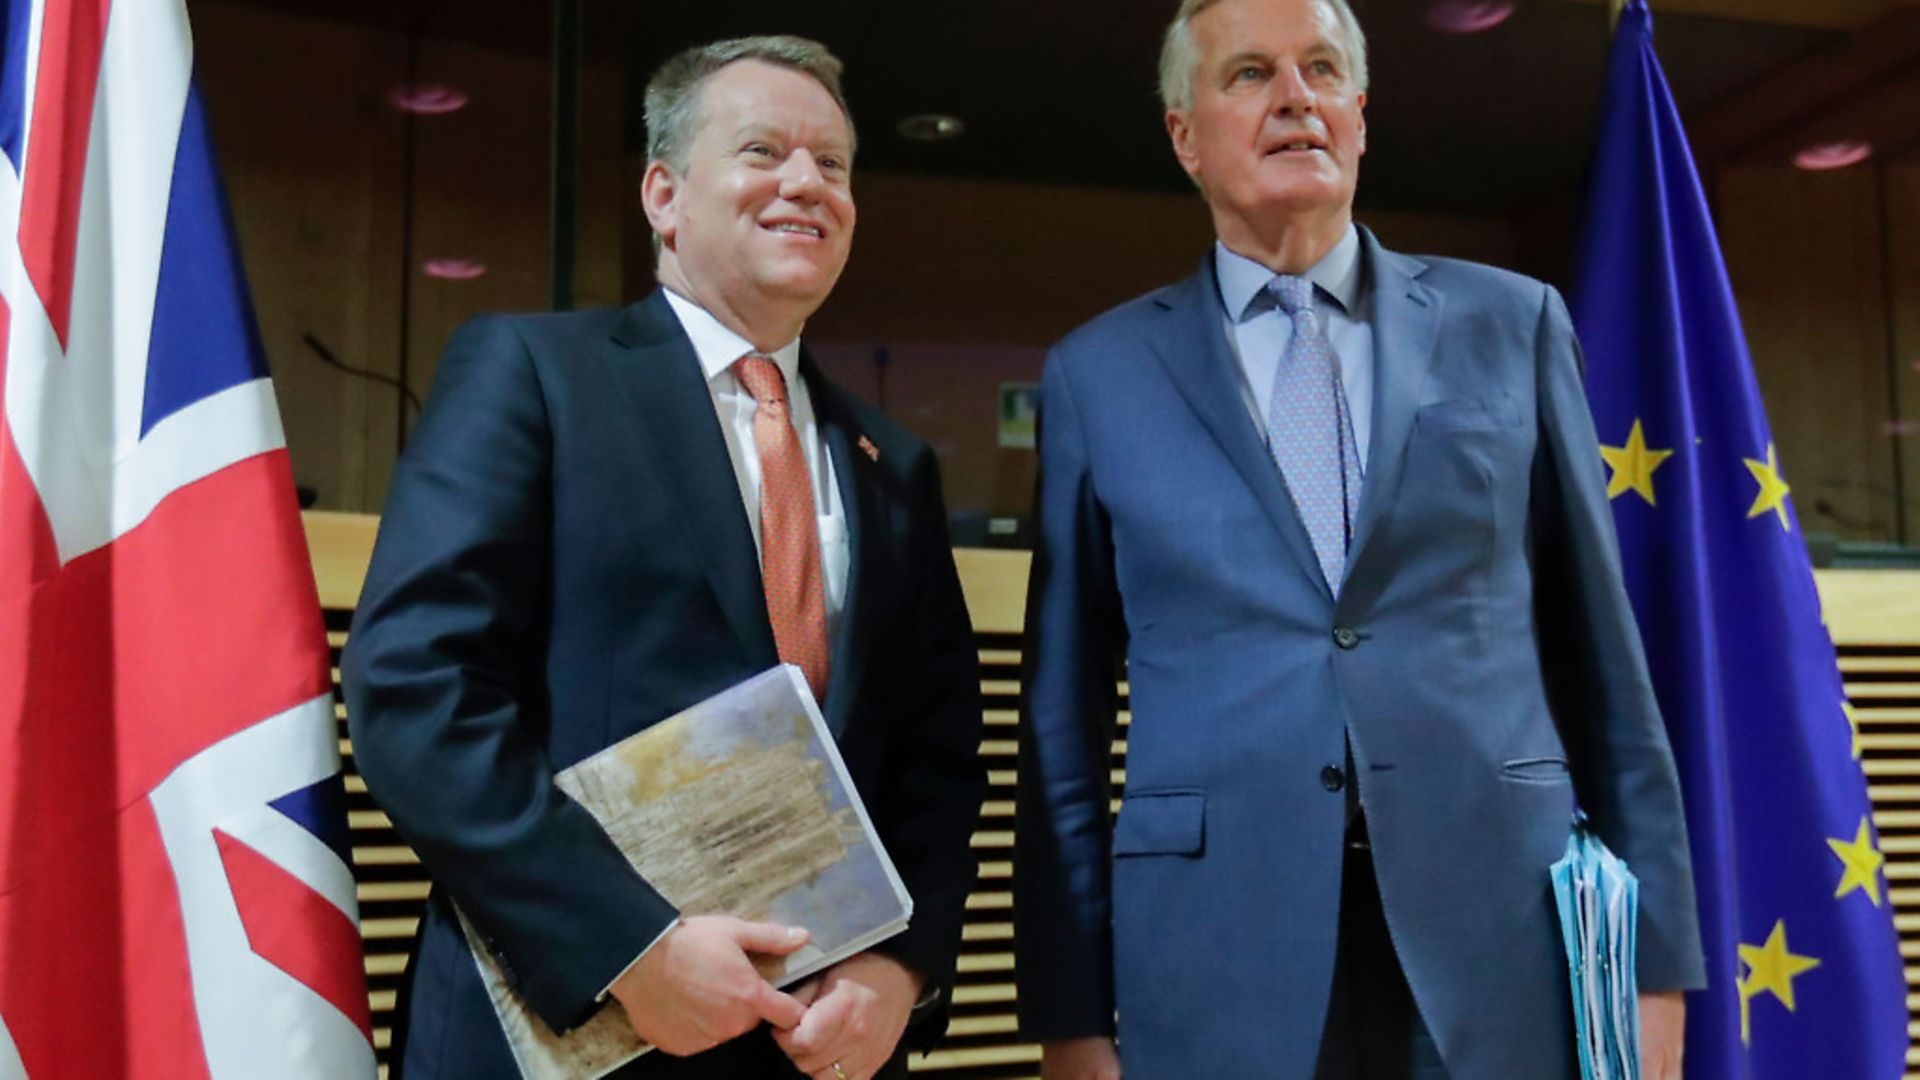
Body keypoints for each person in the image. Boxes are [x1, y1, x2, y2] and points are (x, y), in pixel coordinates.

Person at [1013, 0, 1706, 1077]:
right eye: (1250, 74)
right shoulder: (1095, 376)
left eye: (1323, 70)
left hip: (1501, 945)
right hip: (1213, 954)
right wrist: (1069, 1018)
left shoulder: (1514, 324)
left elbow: (1608, 674)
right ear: (1184, 134)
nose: (1296, 96)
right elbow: (1060, 736)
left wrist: (1654, 972)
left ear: (1362, 115)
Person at [343, 35, 983, 1080]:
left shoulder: (893, 464)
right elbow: (418, 694)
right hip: (571, 1027)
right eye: (764, 150)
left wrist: (904, 971)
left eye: (833, 164)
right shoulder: (534, 375)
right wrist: (629, 948)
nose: (805, 184)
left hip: (818, 1050)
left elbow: (939, 761)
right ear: (663, 193)